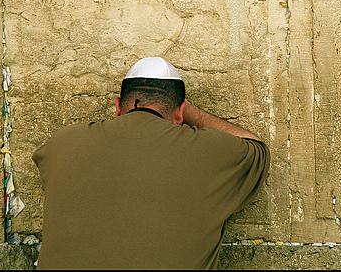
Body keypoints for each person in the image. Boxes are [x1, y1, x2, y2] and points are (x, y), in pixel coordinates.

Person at [32, 56, 270, 269]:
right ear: (180, 111)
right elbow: (256, 148)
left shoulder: (62, 144)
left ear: (117, 106)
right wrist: (190, 115)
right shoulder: (209, 151)